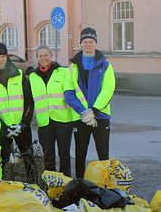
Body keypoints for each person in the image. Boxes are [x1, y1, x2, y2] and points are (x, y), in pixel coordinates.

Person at [64, 27, 116, 178]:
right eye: (85, 41)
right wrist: (84, 112)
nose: (88, 44)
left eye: (91, 41)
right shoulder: (72, 67)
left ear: (95, 43)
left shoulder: (105, 65)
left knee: (103, 153)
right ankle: (80, 183)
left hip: (100, 116)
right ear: (81, 44)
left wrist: (93, 111)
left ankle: (106, 184)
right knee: (80, 153)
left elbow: (108, 90)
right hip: (80, 117)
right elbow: (69, 93)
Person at [0, 42, 35, 177]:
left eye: (3, 56)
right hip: (2, 128)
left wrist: (24, 123)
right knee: (3, 160)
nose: (0, 59)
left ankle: (33, 183)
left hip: (21, 126)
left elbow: (29, 101)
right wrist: (3, 128)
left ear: (7, 56)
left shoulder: (19, 74)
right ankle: (3, 186)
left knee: (28, 158)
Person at [27, 45, 77, 177]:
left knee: (64, 154)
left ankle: (66, 182)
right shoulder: (32, 76)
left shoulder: (63, 72)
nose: (43, 58)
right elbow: (30, 100)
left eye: (46, 55)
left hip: (63, 120)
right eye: (40, 56)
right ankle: (52, 183)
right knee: (48, 156)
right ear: (37, 58)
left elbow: (72, 94)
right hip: (44, 122)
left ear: (51, 56)